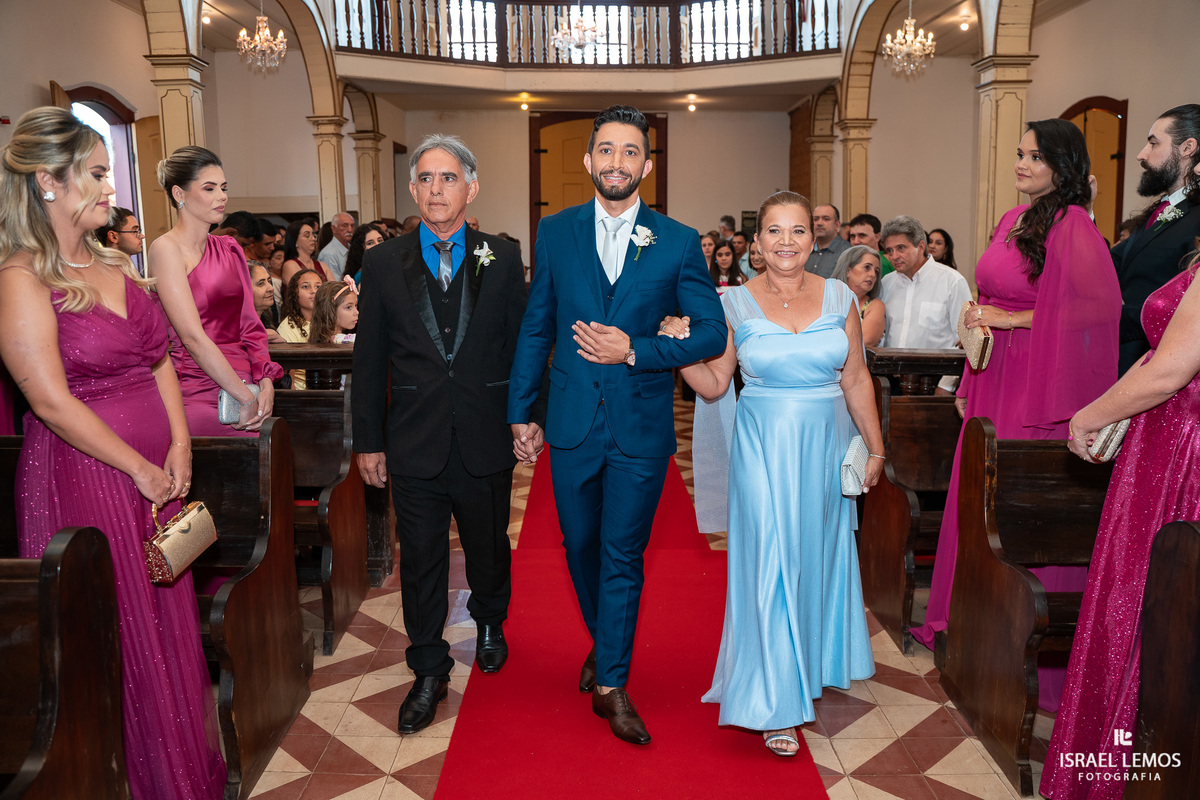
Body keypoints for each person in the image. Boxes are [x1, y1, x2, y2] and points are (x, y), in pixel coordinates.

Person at [0, 106, 226, 799]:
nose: (110, 187)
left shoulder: (111, 263)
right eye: (97, 174)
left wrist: (181, 444)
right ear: (49, 181)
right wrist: (139, 467)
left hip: (157, 476)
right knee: (119, 635)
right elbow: (49, 401)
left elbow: (158, 359)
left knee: (165, 619)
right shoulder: (20, 278)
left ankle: (183, 777)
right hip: (86, 478)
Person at [507, 105, 726, 746]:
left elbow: (711, 333)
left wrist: (635, 349)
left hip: (640, 424)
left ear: (646, 166)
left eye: (630, 152)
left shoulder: (677, 240)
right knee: (579, 546)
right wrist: (522, 410)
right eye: (606, 150)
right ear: (588, 159)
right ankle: (606, 642)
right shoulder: (556, 231)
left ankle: (612, 683)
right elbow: (538, 326)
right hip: (572, 419)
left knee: (623, 552)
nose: (617, 162)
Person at [910, 121, 1122, 716]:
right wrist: (971, 367)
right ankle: (968, 621)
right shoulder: (1013, 218)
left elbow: (1094, 310)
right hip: (993, 373)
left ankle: (1022, 645)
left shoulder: (1072, 224)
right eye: (1020, 153)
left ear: (1063, 164)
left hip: (1037, 378)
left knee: (1016, 501)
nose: (1022, 164)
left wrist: (1009, 320)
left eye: (1035, 156)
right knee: (978, 493)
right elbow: (990, 296)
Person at [681, 191, 882, 757]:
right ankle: (773, 700)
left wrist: (875, 449)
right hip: (762, 450)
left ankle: (808, 664)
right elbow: (716, 383)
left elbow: (856, 378)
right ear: (757, 243)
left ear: (813, 240)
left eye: (797, 231)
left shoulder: (841, 296)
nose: (786, 241)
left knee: (813, 555)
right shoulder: (734, 303)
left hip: (825, 447)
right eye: (774, 231)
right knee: (769, 561)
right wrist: (679, 351)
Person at [353, 134, 541, 736]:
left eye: (449, 177)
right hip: (413, 437)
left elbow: (523, 343)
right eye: (427, 179)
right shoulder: (384, 263)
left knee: (488, 545)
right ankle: (429, 668)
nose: (437, 189)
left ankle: (489, 620)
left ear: (471, 187)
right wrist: (367, 440)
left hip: (485, 432)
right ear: (413, 190)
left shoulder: (501, 257)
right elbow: (369, 358)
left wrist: (528, 413)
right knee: (421, 560)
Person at [1042, 187, 1200, 800]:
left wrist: (1087, 417)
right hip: (1160, 439)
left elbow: (1170, 371)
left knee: (1142, 606)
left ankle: (1120, 773)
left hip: (1179, 451)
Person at [149, 146, 281, 436]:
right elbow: (192, 338)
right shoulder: (166, 249)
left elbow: (250, 324)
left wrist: (265, 381)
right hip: (199, 387)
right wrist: (245, 397)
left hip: (248, 384)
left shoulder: (230, 248)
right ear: (179, 194)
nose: (222, 196)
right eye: (209, 188)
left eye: (224, 188)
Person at [1111, 104, 1200, 373]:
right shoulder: (1162, 209)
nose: (1142, 154)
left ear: (1187, 148)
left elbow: (1182, 311)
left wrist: (1113, 314)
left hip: (1156, 365)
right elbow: (1110, 261)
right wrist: (1084, 210)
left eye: (1153, 143)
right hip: (1122, 358)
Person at [878, 215, 973, 393]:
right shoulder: (886, 283)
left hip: (934, 381)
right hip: (892, 380)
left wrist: (946, 386)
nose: (894, 256)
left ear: (921, 246)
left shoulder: (952, 281)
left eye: (901, 248)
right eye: (889, 250)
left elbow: (967, 338)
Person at [831, 244, 885, 346]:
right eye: (867, 267)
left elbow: (865, 340)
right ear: (847, 270)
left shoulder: (875, 306)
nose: (873, 275)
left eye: (876, 271)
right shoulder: (826, 298)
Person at [276, 268, 320, 390]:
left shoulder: (328, 321)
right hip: (303, 392)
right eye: (306, 287)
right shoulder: (289, 326)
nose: (313, 291)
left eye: (318, 287)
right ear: (295, 293)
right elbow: (288, 376)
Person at [281, 218, 334, 286]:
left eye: (313, 235)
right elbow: (298, 290)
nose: (313, 239)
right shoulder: (290, 265)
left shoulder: (322, 265)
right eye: (307, 236)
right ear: (295, 241)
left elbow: (334, 288)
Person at [805, 203, 849, 278]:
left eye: (826, 219)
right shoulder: (804, 249)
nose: (819, 223)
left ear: (837, 225)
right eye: (815, 219)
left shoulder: (847, 252)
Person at [250, 262, 284, 342]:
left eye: (269, 281)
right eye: (261, 284)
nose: (271, 288)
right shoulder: (231, 331)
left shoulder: (267, 323)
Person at [317, 211, 355, 279]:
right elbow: (333, 283)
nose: (350, 230)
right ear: (334, 228)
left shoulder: (352, 248)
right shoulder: (329, 254)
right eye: (345, 226)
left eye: (352, 226)